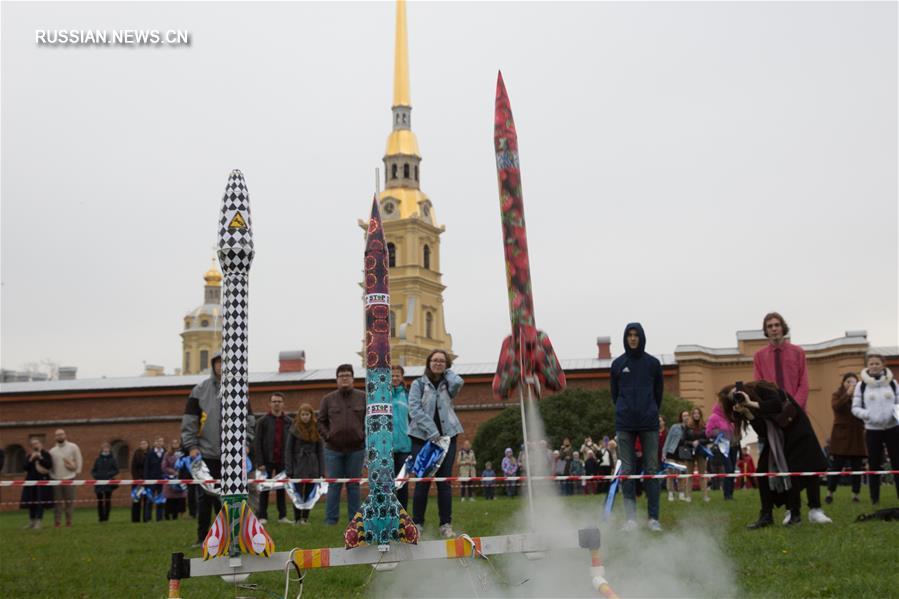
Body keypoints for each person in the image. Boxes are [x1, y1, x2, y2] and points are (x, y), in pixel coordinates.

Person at [752, 312, 829, 523]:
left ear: (783, 328)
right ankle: (790, 509)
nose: (774, 329)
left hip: (797, 416)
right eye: (770, 326)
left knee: (809, 461)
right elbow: (758, 386)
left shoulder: (798, 352)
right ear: (766, 331)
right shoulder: (759, 356)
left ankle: (815, 509)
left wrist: (794, 409)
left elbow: (803, 383)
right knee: (783, 465)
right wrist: (773, 412)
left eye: (777, 325)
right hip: (774, 419)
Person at [719, 381, 829, 529]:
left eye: (736, 394)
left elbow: (776, 405)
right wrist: (748, 413)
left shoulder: (761, 388)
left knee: (801, 469)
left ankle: (805, 512)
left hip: (797, 430)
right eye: (734, 399)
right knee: (762, 471)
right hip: (776, 438)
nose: (738, 398)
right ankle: (766, 515)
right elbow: (763, 432)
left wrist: (751, 403)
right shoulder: (746, 407)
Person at [182, 352, 256, 547]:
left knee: (231, 497)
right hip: (206, 453)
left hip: (232, 455)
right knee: (205, 497)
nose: (221, 366)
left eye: (225, 363)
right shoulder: (199, 390)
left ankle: (231, 537)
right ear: (213, 365)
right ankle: (202, 538)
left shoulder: (240, 391)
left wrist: (246, 444)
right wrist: (191, 446)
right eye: (218, 363)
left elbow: (249, 421)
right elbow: (190, 421)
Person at [610, 323, 664, 532]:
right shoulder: (617, 364)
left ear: (641, 337)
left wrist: (650, 410)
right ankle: (631, 519)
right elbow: (614, 394)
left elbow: (658, 393)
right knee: (627, 471)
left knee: (651, 470)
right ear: (625, 338)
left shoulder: (653, 364)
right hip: (625, 423)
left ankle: (653, 518)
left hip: (649, 423)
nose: (633, 338)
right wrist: (625, 409)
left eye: (636, 335)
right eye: (629, 335)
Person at [408, 349, 464, 538]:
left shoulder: (449, 383)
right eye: (435, 360)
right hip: (422, 438)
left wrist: (448, 372)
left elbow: (459, 383)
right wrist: (432, 432)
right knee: (423, 481)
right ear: (428, 362)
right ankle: (417, 523)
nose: (438, 363)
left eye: (442, 361)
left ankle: (446, 524)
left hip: (448, 437)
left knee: (444, 482)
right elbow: (414, 409)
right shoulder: (418, 384)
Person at [317, 364, 366, 525]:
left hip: (357, 449)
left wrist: (363, 436)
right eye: (341, 376)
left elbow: (370, 420)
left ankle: (355, 521)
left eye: (347, 375)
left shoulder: (363, 397)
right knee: (334, 486)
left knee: (354, 486)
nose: (344, 378)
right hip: (333, 450)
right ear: (337, 379)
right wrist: (328, 436)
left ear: (353, 379)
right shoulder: (327, 399)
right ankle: (331, 521)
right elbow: (320, 422)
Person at [851, 353, 899, 505]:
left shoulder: (893, 383)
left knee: (897, 463)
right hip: (872, 430)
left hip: (893, 428)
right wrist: (868, 415)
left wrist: (895, 413)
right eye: (871, 364)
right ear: (867, 365)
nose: (874, 366)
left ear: (883, 365)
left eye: (877, 363)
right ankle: (874, 498)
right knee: (874, 464)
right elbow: (855, 408)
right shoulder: (861, 385)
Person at [826, 372, 866, 504]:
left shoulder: (861, 395)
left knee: (857, 467)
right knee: (836, 466)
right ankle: (830, 492)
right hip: (841, 435)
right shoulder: (837, 394)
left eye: (854, 382)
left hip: (857, 435)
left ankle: (855, 494)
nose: (851, 384)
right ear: (843, 383)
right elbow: (837, 407)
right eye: (848, 381)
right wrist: (847, 394)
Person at [255, 392, 293, 524]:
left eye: (279, 401)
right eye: (274, 401)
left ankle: (282, 516)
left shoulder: (289, 422)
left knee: (281, 488)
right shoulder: (262, 422)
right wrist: (259, 462)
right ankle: (262, 516)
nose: (277, 404)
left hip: (283, 461)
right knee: (264, 489)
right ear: (270, 403)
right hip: (266, 461)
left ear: (283, 404)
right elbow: (257, 443)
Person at [285, 403, 325, 524]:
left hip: (313, 465)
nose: (305, 417)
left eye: (307, 414)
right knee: (297, 493)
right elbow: (288, 451)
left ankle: (305, 518)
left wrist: (321, 471)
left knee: (309, 493)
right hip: (298, 465)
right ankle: (297, 518)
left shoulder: (317, 429)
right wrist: (289, 469)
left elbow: (320, 452)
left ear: (311, 415)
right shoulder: (293, 429)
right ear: (299, 415)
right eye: (303, 414)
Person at [49, 429, 82, 528]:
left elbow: (79, 459)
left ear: (65, 435)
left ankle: (69, 521)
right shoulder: (52, 451)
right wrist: (52, 476)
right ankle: (57, 522)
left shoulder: (73, 447)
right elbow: (50, 466)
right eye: (57, 435)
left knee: (69, 502)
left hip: (70, 478)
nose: (60, 436)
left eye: (61, 434)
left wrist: (77, 473)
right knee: (57, 503)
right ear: (55, 437)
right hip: (56, 480)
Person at [390, 365, 412, 510]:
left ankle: (403, 512)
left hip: (405, 445)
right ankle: (390, 510)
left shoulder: (408, 395)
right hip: (387, 445)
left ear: (402, 377)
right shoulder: (382, 395)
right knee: (388, 482)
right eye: (392, 375)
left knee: (402, 482)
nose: (395, 378)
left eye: (398, 375)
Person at [706, 403, 738, 500]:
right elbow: (708, 432)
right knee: (728, 469)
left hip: (734, 445)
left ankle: (731, 493)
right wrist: (720, 433)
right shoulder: (713, 417)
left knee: (732, 470)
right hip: (723, 446)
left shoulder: (730, 417)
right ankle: (727, 494)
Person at [21, 437, 53, 529]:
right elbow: (24, 467)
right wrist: (31, 459)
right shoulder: (29, 455)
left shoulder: (46, 454)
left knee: (40, 501)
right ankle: (31, 521)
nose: (35, 445)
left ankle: (39, 521)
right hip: (31, 481)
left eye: (36, 443)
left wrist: (40, 458)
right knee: (31, 501)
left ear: (40, 444)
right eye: (33, 444)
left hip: (42, 481)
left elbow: (49, 465)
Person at [683, 407, 711, 503]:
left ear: (700, 415)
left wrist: (699, 441)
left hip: (701, 452)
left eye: (698, 413)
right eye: (694, 413)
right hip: (690, 453)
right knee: (689, 475)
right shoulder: (687, 426)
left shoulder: (704, 426)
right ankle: (688, 496)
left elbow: (708, 439)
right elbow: (684, 440)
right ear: (692, 415)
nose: (696, 415)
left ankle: (705, 496)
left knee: (702, 475)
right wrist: (692, 443)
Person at [662, 410, 690, 501]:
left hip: (683, 453)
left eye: (687, 415)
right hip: (672, 452)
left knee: (681, 474)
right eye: (684, 416)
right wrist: (664, 452)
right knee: (671, 473)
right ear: (681, 417)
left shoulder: (690, 428)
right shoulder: (675, 427)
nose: (686, 417)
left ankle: (681, 493)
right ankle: (670, 493)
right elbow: (668, 439)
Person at [90, 442, 119, 523]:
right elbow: (93, 470)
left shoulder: (113, 459)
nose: (105, 449)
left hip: (108, 483)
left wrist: (109, 475)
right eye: (104, 448)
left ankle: (106, 518)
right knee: (100, 501)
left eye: (107, 448)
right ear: (102, 449)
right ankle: (100, 518)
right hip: (99, 483)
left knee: (107, 501)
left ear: (109, 449)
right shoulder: (98, 459)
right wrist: (96, 476)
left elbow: (116, 470)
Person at [162, 438, 187, 520]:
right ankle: (168, 515)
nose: (175, 444)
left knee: (180, 498)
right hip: (171, 479)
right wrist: (173, 472)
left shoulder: (182, 454)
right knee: (170, 499)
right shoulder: (167, 454)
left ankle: (179, 515)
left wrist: (182, 472)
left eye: (177, 443)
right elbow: (164, 466)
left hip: (181, 479)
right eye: (174, 443)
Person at [144, 437, 166, 522]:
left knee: (160, 499)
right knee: (149, 499)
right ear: (154, 443)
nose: (160, 443)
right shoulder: (150, 453)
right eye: (158, 441)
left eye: (161, 441)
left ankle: (159, 518)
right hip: (151, 480)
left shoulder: (165, 453)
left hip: (162, 479)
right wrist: (147, 480)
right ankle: (148, 518)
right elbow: (146, 467)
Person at [130, 440, 149, 523]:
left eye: (145, 443)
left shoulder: (150, 454)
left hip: (147, 481)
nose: (143, 445)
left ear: (148, 445)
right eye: (142, 443)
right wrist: (138, 479)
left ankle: (146, 518)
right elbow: (133, 468)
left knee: (147, 500)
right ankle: (135, 519)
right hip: (138, 481)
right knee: (136, 500)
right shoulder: (136, 454)